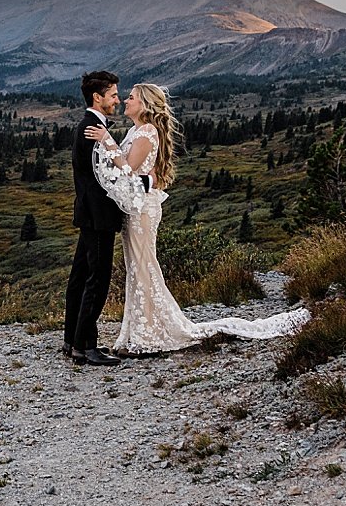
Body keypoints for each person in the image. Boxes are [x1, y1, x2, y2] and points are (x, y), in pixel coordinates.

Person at [85, 83, 310, 354]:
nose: (125, 101)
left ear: (144, 104)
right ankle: (138, 333)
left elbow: (129, 169)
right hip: (137, 209)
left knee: (144, 267)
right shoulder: (136, 130)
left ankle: (147, 336)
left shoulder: (147, 131)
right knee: (137, 268)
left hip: (143, 212)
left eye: (131, 98)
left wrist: (106, 140)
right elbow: (144, 172)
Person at [63, 70, 125, 365]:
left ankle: (70, 339)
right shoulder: (91, 129)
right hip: (98, 216)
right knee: (97, 280)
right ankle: (84, 346)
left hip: (89, 215)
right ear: (97, 98)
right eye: (113, 95)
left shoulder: (91, 126)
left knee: (79, 277)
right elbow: (104, 178)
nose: (118, 99)